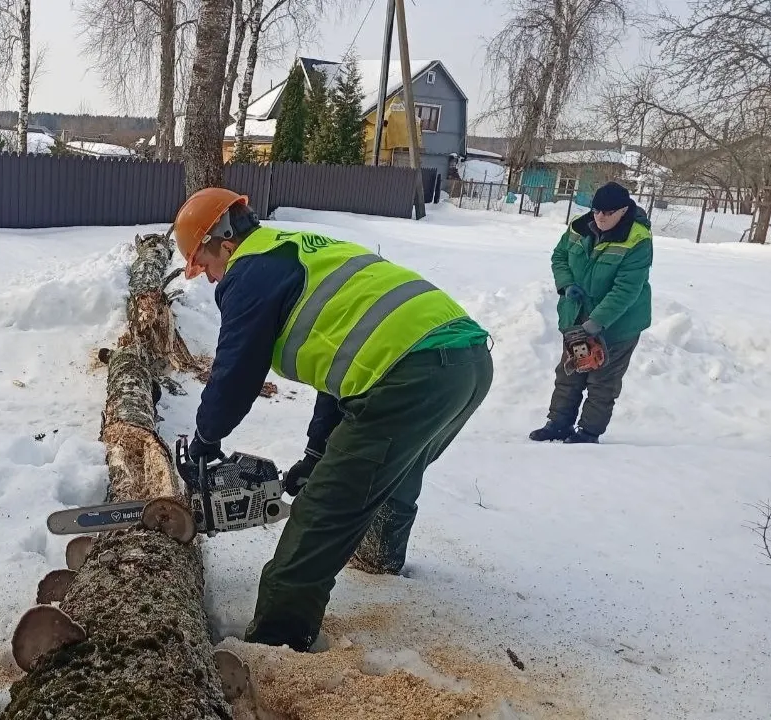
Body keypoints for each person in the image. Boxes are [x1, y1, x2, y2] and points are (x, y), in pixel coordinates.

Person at [172, 187, 493, 652]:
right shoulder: (299, 249)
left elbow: (236, 370)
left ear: (222, 242)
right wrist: (316, 453)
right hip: (467, 362)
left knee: (324, 510)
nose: (209, 277)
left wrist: (206, 437)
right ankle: (380, 556)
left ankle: (277, 645)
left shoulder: (251, 271)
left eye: (205, 265)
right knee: (394, 467)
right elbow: (343, 363)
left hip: (411, 373)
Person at [529, 181, 653, 444]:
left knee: (602, 380)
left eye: (608, 213)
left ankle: (588, 433)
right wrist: (567, 284)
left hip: (617, 324)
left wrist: (597, 321)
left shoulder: (638, 239)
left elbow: (627, 289)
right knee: (570, 372)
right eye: (596, 211)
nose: (600, 217)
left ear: (623, 210)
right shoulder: (579, 227)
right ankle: (558, 424)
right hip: (578, 317)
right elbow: (559, 257)